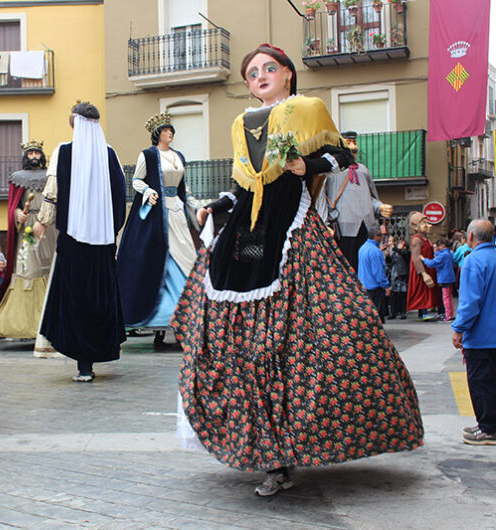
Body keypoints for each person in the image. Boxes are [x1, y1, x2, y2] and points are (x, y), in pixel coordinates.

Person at [171, 44, 423, 496]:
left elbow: (342, 158)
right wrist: (217, 205)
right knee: (244, 336)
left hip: (294, 232)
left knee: (328, 325)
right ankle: (269, 452)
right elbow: (240, 187)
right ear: (247, 83)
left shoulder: (308, 109)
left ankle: (305, 440)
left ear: (287, 74)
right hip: (249, 239)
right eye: (252, 72)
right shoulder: (240, 123)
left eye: (269, 68)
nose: (260, 75)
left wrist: (305, 164)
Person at [33, 101, 127, 382]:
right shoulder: (110, 154)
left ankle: (83, 366)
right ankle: (90, 361)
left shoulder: (63, 152)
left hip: (74, 242)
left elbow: (52, 191)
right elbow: (119, 198)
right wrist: (112, 234)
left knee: (74, 299)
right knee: (98, 300)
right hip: (103, 245)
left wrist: (43, 221)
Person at [116, 112, 201, 350]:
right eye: (166, 130)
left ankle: (189, 317)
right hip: (157, 215)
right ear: (158, 134)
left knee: (187, 258)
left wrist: (197, 206)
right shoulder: (148, 155)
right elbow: (136, 180)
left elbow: (184, 188)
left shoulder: (179, 156)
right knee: (159, 258)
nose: (170, 133)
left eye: (171, 130)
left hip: (177, 211)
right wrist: (148, 191)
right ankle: (164, 320)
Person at [0, 140, 59, 355]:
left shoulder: (51, 176)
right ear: (26, 156)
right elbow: (12, 207)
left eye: (38, 153)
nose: (35, 156)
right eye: (31, 153)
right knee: (28, 269)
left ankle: (49, 324)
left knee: (51, 270)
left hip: (49, 226)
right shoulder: (17, 179)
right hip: (27, 228)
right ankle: (28, 325)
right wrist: (16, 214)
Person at [317, 131, 393, 271]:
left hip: (366, 227)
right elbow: (321, 198)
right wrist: (324, 222)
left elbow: (372, 198)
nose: (353, 147)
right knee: (347, 268)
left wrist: (380, 207)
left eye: (354, 142)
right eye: (348, 142)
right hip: (342, 228)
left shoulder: (363, 170)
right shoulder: (331, 171)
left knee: (368, 268)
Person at [452, 219, 496, 445]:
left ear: (470, 238)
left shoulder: (473, 262)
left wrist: (458, 329)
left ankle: (488, 428)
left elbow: (470, 303)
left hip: (481, 337)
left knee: (481, 383)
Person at [406, 212, 442, 321]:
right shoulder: (417, 239)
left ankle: (424, 312)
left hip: (428, 267)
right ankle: (423, 312)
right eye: (423, 223)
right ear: (415, 226)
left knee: (427, 290)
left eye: (427, 223)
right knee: (422, 290)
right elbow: (416, 257)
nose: (428, 225)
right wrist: (423, 273)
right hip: (422, 269)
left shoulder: (426, 239)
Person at [358, 227, 390, 322]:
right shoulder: (375, 252)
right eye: (381, 236)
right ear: (376, 236)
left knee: (368, 313)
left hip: (364, 285)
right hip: (374, 287)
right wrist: (386, 286)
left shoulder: (363, 248)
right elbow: (378, 272)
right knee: (376, 314)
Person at [422, 239, 456, 321]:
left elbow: (432, 263)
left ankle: (448, 315)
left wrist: (423, 259)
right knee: (449, 297)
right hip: (449, 277)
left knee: (446, 297)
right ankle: (450, 313)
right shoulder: (449, 253)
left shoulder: (444, 255)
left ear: (443, 245)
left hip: (445, 278)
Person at [388, 239, 410, 319]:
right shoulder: (395, 253)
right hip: (394, 275)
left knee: (403, 295)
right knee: (394, 295)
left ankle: (403, 312)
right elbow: (390, 261)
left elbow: (403, 253)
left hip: (402, 275)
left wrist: (394, 248)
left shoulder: (406, 252)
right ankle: (393, 312)